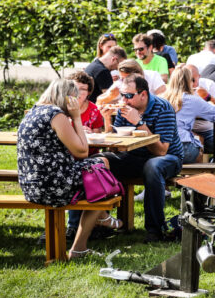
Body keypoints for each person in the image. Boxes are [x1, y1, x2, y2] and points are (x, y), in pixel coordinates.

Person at [16, 79, 112, 258]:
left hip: (31, 185)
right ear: (67, 98)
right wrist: (76, 117)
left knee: (100, 167)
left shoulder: (34, 112)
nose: (77, 102)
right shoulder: (55, 114)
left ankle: (102, 218)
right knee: (102, 177)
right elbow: (82, 151)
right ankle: (80, 247)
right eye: (75, 98)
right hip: (53, 185)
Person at [99, 75, 182, 242]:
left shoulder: (163, 108)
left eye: (129, 95)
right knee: (99, 162)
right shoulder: (126, 109)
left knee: (152, 166)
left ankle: (155, 229)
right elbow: (117, 143)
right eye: (122, 95)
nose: (124, 99)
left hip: (168, 158)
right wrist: (107, 120)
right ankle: (97, 223)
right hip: (134, 155)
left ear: (143, 94)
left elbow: (161, 151)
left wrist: (139, 122)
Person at [62, 71, 121, 239]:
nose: (80, 93)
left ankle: (79, 226)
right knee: (85, 174)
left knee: (92, 169)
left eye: (84, 89)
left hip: (88, 154)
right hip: (67, 156)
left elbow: (98, 133)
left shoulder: (93, 110)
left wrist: (88, 131)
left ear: (89, 92)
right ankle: (83, 224)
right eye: (76, 88)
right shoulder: (61, 109)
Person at [163, 67, 215, 163]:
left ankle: (190, 175)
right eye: (192, 80)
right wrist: (208, 98)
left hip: (161, 146)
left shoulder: (161, 98)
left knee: (197, 141)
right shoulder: (192, 99)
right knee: (198, 148)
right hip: (182, 146)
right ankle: (200, 175)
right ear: (189, 81)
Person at [97, 59, 165, 106]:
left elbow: (164, 98)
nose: (125, 81)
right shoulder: (121, 83)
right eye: (122, 78)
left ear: (139, 74)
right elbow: (99, 101)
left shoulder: (152, 76)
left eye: (128, 78)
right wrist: (110, 96)